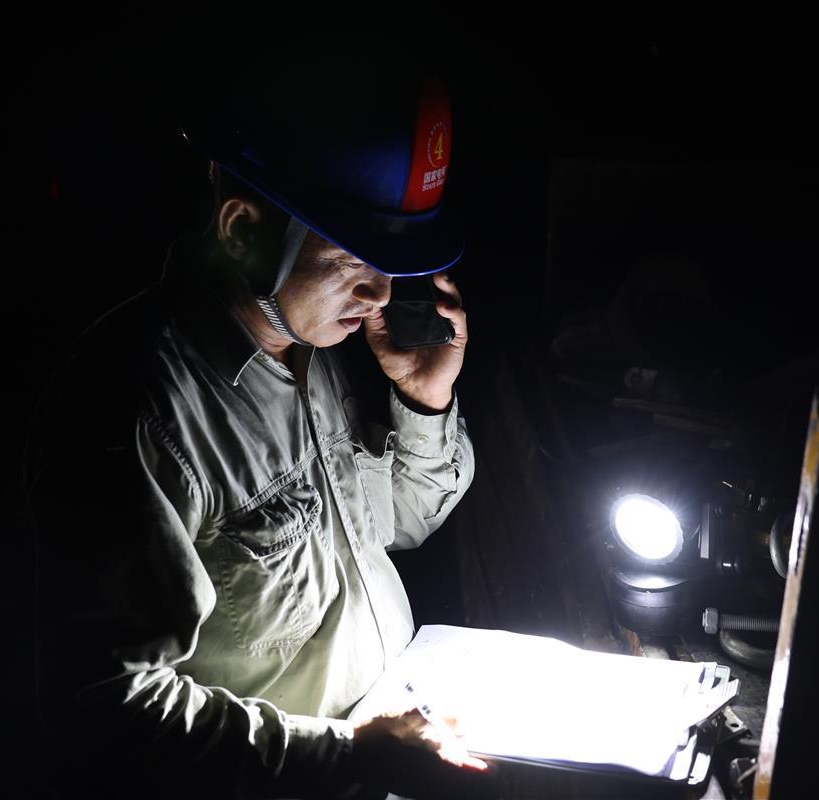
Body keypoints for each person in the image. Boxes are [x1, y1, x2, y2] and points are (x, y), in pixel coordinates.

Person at [25, 63, 489, 799]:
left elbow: (396, 523)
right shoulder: (137, 409)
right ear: (244, 230)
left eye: (389, 265)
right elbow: (105, 709)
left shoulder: (314, 347)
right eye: (352, 259)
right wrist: (350, 756)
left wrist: (425, 403)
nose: (379, 294)